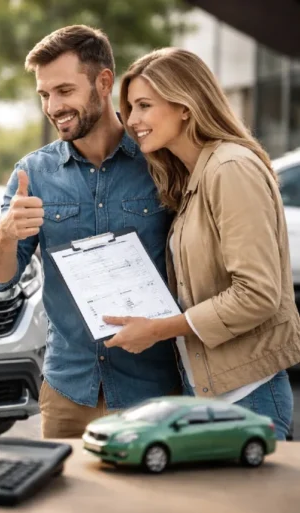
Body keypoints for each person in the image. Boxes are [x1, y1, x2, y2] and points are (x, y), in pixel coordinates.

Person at [0, 25, 181, 439]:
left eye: (64, 91)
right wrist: (5, 233)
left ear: (103, 83)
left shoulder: (161, 162)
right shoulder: (32, 173)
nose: (53, 106)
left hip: (154, 393)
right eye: (44, 95)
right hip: (69, 392)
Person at [105, 47, 300, 440]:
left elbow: (257, 294)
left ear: (185, 106)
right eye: (130, 107)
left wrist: (158, 329)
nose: (133, 120)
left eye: (144, 105)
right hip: (213, 393)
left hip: (248, 398)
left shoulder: (230, 168)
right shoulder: (196, 174)